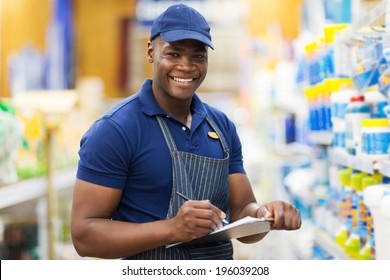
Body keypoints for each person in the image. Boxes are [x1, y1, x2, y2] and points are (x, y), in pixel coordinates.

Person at [71, 3, 301, 260]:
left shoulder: (221, 126)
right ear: (150, 52)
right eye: (173, 54)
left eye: (198, 56)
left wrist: (264, 215)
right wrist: (172, 229)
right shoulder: (116, 129)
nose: (186, 66)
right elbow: (84, 236)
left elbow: (242, 214)